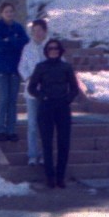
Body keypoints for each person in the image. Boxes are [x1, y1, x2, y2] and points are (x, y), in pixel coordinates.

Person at [27, 38, 81, 188]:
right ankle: (50, 177)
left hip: (62, 108)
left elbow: (74, 88)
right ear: (46, 51)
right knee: (47, 143)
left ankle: (60, 177)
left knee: (64, 143)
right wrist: (42, 96)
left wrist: (67, 100)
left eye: (56, 49)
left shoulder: (66, 67)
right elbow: (32, 88)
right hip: (46, 107)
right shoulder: (40, 67)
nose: (53, 51)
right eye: (50, 49)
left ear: (60, 51)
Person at [0, 2, 29, 142]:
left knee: (13, 100)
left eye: (11, 11)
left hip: (14, 68)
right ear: (2, 13)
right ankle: (0, 128)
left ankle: (11, 129)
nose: (9, 14)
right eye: (6, 11)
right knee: (4, 98)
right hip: (0, 68)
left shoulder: (18, 27)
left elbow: (25, 42)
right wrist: (14, 41)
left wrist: (10, 40)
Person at [18, 18, 49, 165]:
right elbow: (22, 67)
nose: (37, 33)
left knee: (46, 124)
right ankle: (32, 154)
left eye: (40, 30)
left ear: (45, 32)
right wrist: (29, 77)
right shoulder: (27, 48)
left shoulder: (51, 47)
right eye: (35, 31)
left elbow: (61, 64)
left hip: (48, 92)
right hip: (32, 91)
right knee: (32, 124)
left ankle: (45, 154)